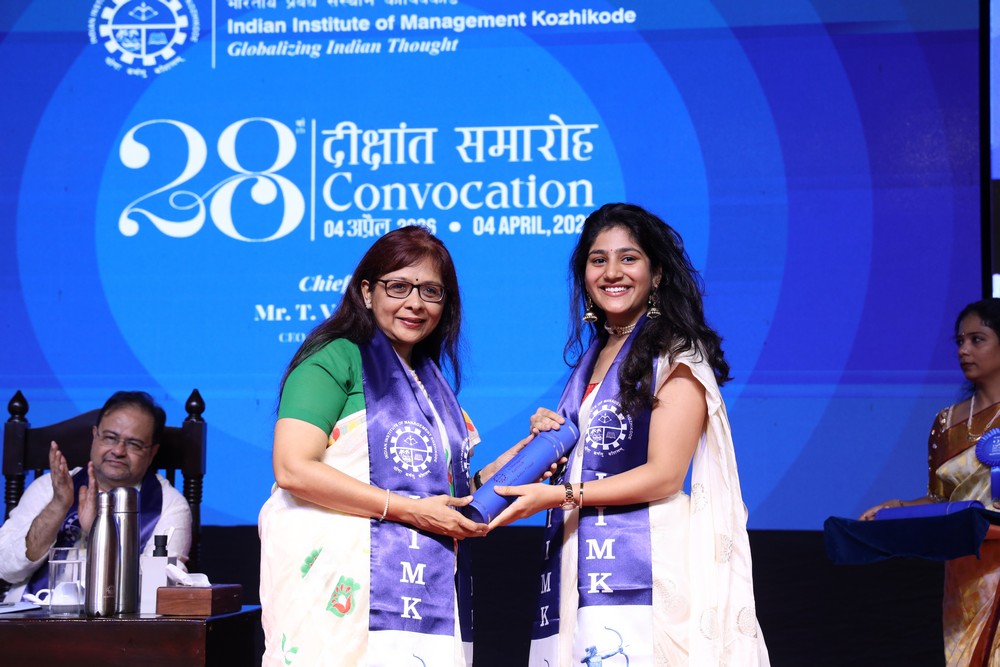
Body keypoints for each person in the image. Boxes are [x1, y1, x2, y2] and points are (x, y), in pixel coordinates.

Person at [489, 203, 770, 665]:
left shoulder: (676, 354)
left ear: (656, 274)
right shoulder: (596, 354)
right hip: (582, 553)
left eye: (629, 258)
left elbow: (664, 474)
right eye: (598, 260)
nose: (612, 272)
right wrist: (552, 436)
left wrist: (559, 497)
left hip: (650, 563)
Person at [259, 226, 530, 666]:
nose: (415, 303)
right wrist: (408, 510)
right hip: (340, 584)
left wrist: (504, 468)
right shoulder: (334, 357)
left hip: (419, 580)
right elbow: (292, 468)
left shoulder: (430, 381)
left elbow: (435, 496)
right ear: (367, 292)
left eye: (430, 291)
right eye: (399, 286)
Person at [860, 297, 1000, 666]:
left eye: (977, 339)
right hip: (966, 573)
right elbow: (940, 500)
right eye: (960, 341)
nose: (964, 350)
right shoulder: (946, 422)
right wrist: (898, 508)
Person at [0, 390, 192, 602]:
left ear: (152, 451)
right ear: (95, 436)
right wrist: (58, 506)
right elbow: (5, 568)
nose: (118, 450)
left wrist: (99, 533)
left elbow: (157, 590)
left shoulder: (170, 506)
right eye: (110, 437)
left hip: (117, 621)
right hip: (29, 616)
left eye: (134, 444)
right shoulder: (49, 488)